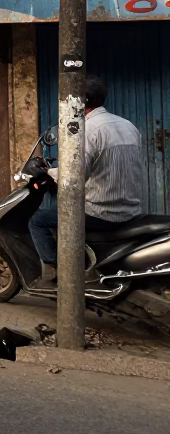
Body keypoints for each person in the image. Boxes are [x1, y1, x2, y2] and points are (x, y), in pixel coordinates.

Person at [27, 75, 144, 289]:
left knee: (38, 220)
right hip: (131, 210)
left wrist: (49, 172)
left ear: (83, 100)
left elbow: (74, 176)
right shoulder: (128, 125)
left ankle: (57, 274)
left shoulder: (87, 130)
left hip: (101, 212)